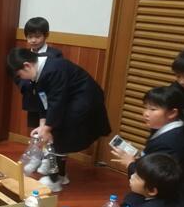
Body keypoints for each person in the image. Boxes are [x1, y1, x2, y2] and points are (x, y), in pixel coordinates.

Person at [7, 47, 111, 192]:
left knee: (59, 132)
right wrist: (43, 124)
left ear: (27, 66)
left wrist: (47, 127)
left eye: (20, 75)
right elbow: (44, 100)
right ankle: (60, 175)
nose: (23, 79)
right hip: (70, 101)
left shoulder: (53, 70)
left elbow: (56, 102)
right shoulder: (38, 71)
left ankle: (54, 179)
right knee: (53, 131)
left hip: (86, 99)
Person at [111, 85, 184, 185]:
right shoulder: (177, 128)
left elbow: (156, 177)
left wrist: (130, 163)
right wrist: (137, 156)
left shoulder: (170, 141)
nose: (146, 113)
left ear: (172, 113)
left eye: (152, 109)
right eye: (145, 108)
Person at [16, 17, 63, 129]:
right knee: (34, 128)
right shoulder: (24, 55)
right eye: (30, 37)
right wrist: (25, 85)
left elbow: (59, 76)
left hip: (50, 99)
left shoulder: (55, 54)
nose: (33, 40)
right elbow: (18, 75)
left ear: (46, 35)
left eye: (37, 37)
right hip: (32, 98)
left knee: (49, 127)